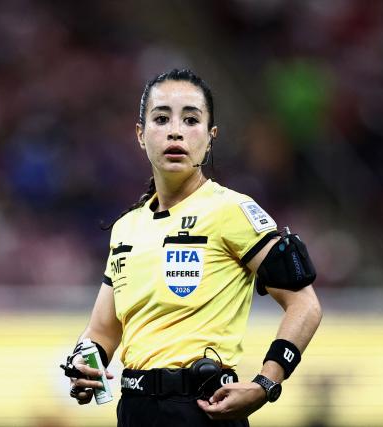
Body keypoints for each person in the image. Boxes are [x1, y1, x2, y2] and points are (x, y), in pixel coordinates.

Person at [60, 68, 322, 426]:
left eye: (191, 119)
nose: (175, 130)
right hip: (134, 409)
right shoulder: (125, 227)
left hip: (202, 410)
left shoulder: (231, 210)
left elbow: (304, 304)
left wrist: (266, 383)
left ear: (211, 137)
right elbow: (103, 331)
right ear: (141, 134)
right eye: (161, 118)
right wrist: (83, 364)